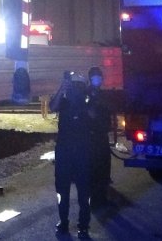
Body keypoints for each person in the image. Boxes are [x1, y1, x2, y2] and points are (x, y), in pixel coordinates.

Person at [49, 72, 93, 239]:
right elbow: (53, 107)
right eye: (72, 85)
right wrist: (61, 89)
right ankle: (63, 222)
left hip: (82, 151)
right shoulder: (64, 100)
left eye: (78, 85)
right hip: (64, 152)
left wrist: (89, 96)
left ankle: (84, 225)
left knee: (84, 191)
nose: (75, 88)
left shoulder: (87, 100)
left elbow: (94, 114)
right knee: (62, 190)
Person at [86, 66, 113, 208]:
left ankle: (102, 196)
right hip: (90, 137)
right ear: (90, 78)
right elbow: (86, 113)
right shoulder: (86, 94)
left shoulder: (103, 94)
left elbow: (107, 111)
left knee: (104, 165)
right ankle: (94, 199)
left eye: (99, 76)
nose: (98, 79)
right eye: (95, 76)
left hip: (102, 135)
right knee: (93, 167)